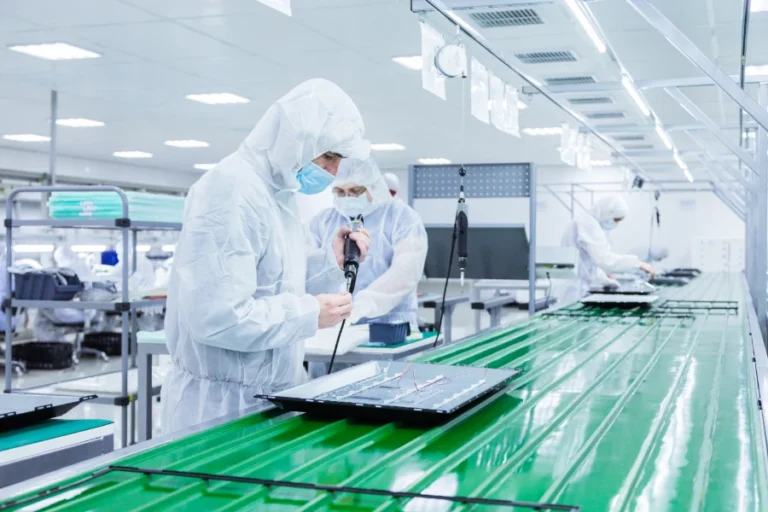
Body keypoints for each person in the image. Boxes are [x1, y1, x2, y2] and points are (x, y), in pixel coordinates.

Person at [160, 79, 372, 434]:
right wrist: (308, 314)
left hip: (269, 399)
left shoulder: (278, 196)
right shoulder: (231, 189)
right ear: (298, 140)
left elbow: (279, 285)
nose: (334, 172)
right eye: (329, 156)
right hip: (219, 411)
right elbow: (218, 317)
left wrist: (329, 262)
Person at [307, 158, 427, 377]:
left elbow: (405, 275)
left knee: (389, 399)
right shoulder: (322, 222)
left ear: (373, 186)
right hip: (332, 333)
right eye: (339, 191)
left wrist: (359, 307)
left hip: (389, 332)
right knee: (326, 400)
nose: (347, 197)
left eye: (355, 190)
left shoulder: (403, 218)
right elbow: (308, 273)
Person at [561, 194, 655, 304]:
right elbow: (604, 259)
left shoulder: (589, 223)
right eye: (616, 219)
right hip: (572, 291)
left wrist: (606, 280)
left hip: (578, 288)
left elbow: (591, 265)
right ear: (607, 212)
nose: (616, 223)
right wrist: (638, 264)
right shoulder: (587, 223)